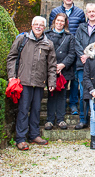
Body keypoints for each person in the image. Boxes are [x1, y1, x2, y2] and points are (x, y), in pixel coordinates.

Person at [7, 16, 56, 151]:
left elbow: (52, 65)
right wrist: (11, 76)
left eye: (41, 25)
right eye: (36, 24)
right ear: (32, 25)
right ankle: (21, 138)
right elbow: (11, 58)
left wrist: (51, 81)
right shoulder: (22, 39)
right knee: (23, 110)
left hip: (39, 82)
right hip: (23, 81)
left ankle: (34, 134)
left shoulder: (48, 44)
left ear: (44, 27)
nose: (38, 27)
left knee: (36, 110)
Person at [49, 0, 86, 115]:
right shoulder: (55, 12)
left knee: (75, 78)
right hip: (59, 50)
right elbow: (50, 30)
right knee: (59, 77)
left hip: (74, 50)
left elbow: (82, 31)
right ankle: (61, 103)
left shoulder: (80, 13)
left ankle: (73, 104)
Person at [44, 13, 76, 131]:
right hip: (50, 70)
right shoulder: (46, 35)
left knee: (62, 95)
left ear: (65, 23)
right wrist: (52, 66)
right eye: (58, 20)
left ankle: (61, 119)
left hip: (64, 71)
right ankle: (50, 120)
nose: (60, 23)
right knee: (51, 94)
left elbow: (72, 53)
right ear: (54, 21)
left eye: (62, 21)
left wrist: (62, 65)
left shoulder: (69, 37)